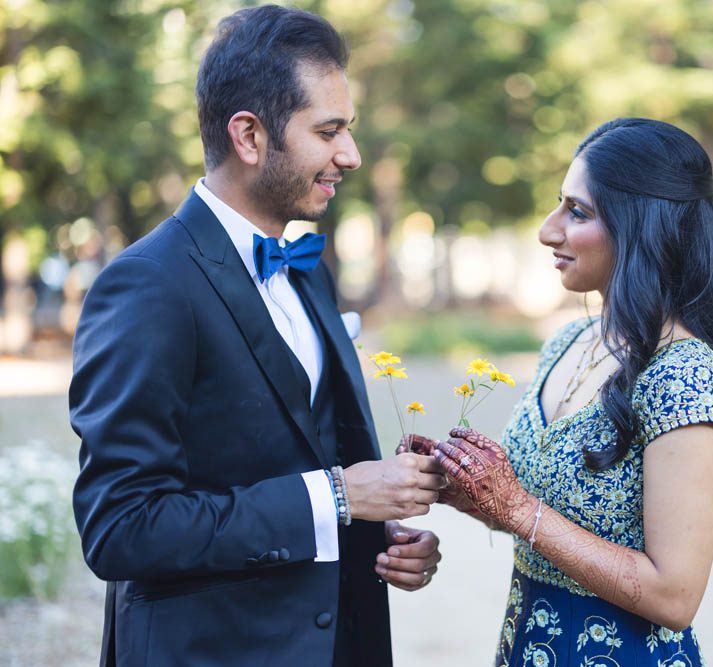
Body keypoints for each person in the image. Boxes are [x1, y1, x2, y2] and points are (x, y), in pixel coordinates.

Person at [69, 6, 445, 666]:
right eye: (328, 132)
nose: (350, 156)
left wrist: (375, 527)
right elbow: (120, 526)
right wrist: (335, 496)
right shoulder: (148, 285)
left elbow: (298, 459)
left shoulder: (310, 271)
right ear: (248, 135)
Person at [410, 118, 713, 666]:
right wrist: (472, 494)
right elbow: (540, 518)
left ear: (639, 224)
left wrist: (516, 508)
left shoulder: (683, 374)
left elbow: (675, 596)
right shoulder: (568, 341)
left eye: (577, 212)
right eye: (559, 206)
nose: (549, 230)